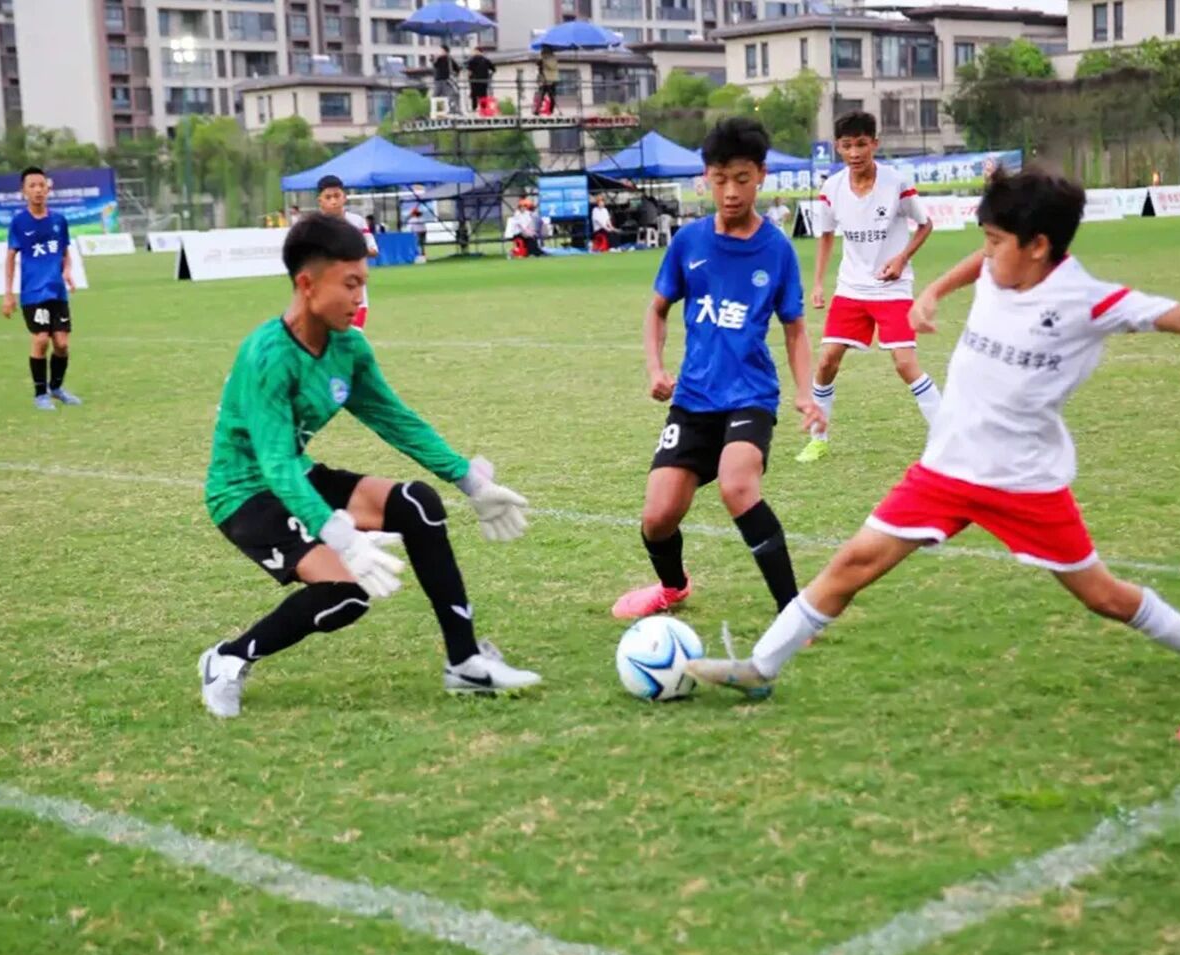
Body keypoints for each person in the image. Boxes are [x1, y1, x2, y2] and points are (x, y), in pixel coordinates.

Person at [686, 167, 1180, 699]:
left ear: (1039, 245)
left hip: (1023, 481)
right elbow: (977, 262)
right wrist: (933, 291)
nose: (987, 253)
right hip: (944, 470)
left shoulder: (1087, 299)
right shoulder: (1000, 266)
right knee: (852, 564)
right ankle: (760, 667)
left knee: (1103, 596)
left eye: (996, 241)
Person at [198, 214, 541, 716]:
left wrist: (470, 481)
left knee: (417, 504)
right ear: (307, 284)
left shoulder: (348, 347)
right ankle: (228, 658)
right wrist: (339, 535)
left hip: (295, 475)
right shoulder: (266, 355)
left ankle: (465, 663)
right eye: (350, 284)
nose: (360, 298)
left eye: (364, 284)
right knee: (346, 593)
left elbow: (395, 419)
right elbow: (274, 464)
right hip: (244, 496)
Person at [611, 117, 823, 620]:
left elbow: (795, 329)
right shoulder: (689, 242)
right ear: (706, 177)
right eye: (721, 179)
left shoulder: (777, 250)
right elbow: (657, 310)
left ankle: (793, 613)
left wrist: (805, 392)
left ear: (761, 176)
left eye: (742, 179)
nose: (731, 192)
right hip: (693, 399)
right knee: (657, 518)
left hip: (750, 395)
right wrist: (655, 369)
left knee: (737, 485)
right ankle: (673, 587)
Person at [797, 112, 939, 464]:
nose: (855, 152)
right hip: (851, 289)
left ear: (875, 144)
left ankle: (946, 434)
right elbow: (826, 236)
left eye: (861, 144)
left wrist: (901, 258)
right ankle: (818, 439)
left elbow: (925, 225)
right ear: (837, 147)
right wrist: (818, 283)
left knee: (905, 364)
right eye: (847, 145)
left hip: (892, 288)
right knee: (827, 361)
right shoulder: (831, 189)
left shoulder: (895, 183)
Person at [2, 165, 82, 411]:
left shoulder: (59, 221)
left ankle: (56, 388)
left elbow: (65, 253)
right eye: (32, 186)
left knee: (62, 344)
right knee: (41, 340)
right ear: (24, 191)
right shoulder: (19, 223)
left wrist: (67, 271)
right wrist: (8, 294)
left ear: (48, 189)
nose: (38, 190)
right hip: (33, 293)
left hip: (57, 291)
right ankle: (40, 394)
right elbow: (10, 258)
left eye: (41, 185)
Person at [315, 174, 379, 328]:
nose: (333, 201)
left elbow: (373, 250)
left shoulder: (357, 222)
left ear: (344, 197)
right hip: (327, 294)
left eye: (337, 196)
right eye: (328, 197)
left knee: (353, 336)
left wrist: (351, 249)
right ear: (320, 201)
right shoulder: (314, 226)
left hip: (355, 293)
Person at [432, 44, 460, 113]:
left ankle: (452, 110)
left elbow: (457, 68)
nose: (440, 52)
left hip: (446, 81)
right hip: (439, 80)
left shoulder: (449, 59)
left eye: (441, 50)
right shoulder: (439, 58)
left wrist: (455, 76)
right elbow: (434, 64)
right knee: (437, 96)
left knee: (450, 95)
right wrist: (436, 58)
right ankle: (439, 111)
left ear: (445, 51)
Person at [466, 45, 495, 112]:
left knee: (474, 95)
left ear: (477, 51)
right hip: (484, 80)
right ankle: (483, 108)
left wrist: (469, 79)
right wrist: (489, 75)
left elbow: (469, 72)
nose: (473, 53)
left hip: (474, 80)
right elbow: (493, 69)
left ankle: (474, 108)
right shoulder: (486, 60)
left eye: (474, 51)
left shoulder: (472, 60)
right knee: (483, 94)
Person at [534, 47, 558, 116]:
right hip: (543, 81)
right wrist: (540, 61)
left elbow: (552, 66)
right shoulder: (542, 60)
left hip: (551, 80)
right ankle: (537, 110)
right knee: (541, 95)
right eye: (542, 53)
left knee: (552, 96)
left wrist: (545, 62)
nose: (543, 54)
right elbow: (538, 65)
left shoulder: (552, 59)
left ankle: (551, 111)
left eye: (544, 52)